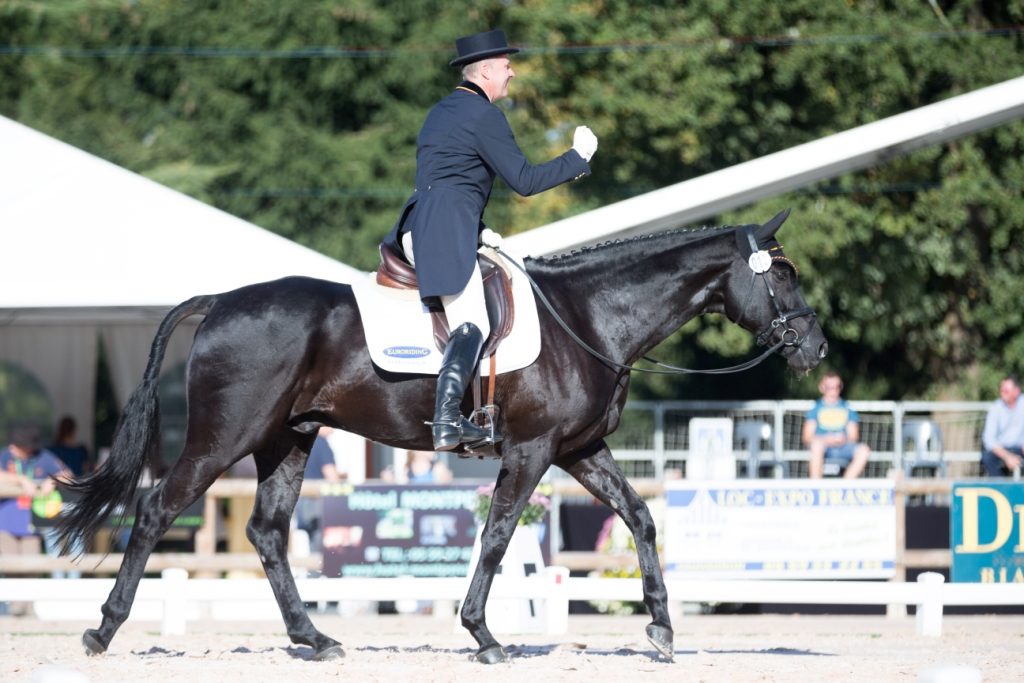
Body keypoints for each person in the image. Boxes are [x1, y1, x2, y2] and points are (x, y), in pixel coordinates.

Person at [381, 28, 598, 453]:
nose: (512, 73)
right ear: (485, 72)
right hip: (442, 234)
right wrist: (578, 159)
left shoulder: (440, 112)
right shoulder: (484, 116)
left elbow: (445, 181)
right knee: (473, 322)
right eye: (506, 66)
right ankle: (447, 420)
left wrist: (478, 230)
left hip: (420, 225)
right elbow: (526, 181)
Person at [0, 423, 74, 610]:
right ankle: (15, 607)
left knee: (31, 566)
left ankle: (29, 607)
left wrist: (53, 479)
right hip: (5, 523)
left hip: (32, 523)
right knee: (11, 565)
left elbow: (68, 474)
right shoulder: (5, 456)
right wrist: (21, 479)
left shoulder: (42, 457)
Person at [802, 372, 871, 479]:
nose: (833, 391)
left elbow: (853, 436)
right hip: (822, 447)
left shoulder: (848, 408)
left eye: (836, 387)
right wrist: (825, 439)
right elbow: (807, 437)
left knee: (864, 450)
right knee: (816, 446)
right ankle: (816, 487)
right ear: (822, 387)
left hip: (843, 447)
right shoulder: (815, 409)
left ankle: (845, 486)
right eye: (829, 387)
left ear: (840, 387)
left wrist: (843, 439)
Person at [294, 427, 344, 554]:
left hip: (300, 500)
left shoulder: (303, 443)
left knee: (313, 543)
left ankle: (313, 572)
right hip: (316, 502)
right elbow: (331, 476)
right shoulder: (321, 443)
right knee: (320, 547)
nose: (334, 429)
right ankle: (316, 573)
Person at [980, 376, 1024, 477]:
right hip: (1002, 449)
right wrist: (1007, 457)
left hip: (1020, 447)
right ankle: (1001, 489)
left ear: (1016, 391)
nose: (1002, 393)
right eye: (1001, 390)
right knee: (987, 458)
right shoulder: (995, 408)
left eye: (1006, 390)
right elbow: (989, 439)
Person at [381, 450, 453, 485]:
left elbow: (444, 486)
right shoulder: (407, 468)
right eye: (429, 447)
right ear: (417, 451)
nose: (433, 450)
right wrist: (390, 481)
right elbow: (402, 489)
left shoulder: (438, 466)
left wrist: (446, 478)